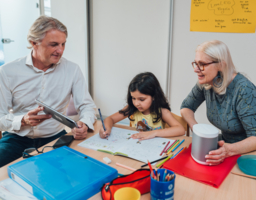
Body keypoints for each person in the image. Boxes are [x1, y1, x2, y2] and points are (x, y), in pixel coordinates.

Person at [0, 16, 96, 167]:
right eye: (54, 44)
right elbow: (1, 117)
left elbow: (87, 106)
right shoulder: (7, 72)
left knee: (76, 169)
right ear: (34, 43)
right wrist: (22, 120)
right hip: (16, 138)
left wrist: (84, 123)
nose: (60, 50)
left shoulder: (72, 70)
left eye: (63, 44)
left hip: (55, 137)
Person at [180, 40, 256, 165]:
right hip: (224, 147)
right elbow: (186, 107)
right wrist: (196, 128)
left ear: (221, 65)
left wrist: (228, 150)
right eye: (195, 63)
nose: (196, 70)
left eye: (202, 64)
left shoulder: (244, 89)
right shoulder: (205, 83)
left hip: (246, 154)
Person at [99, 72, 185, 140]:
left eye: (142, 99)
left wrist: (153, 133)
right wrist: (107, 128)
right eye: (133, 98)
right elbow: (110, 119)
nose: (136, 103)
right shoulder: (131, 108)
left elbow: (180, 130)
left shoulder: (162, 111)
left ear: (154, 97)